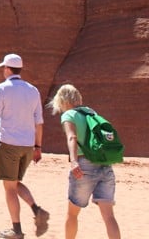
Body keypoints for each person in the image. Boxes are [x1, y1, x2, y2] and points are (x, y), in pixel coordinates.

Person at [0, 53, 50, 239]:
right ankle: (37, 210)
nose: (3, 70)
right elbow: (39, 123)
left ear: (7, 69)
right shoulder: (33, 90)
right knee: (15, 183)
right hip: (27, 146)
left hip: (8, 145)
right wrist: (38, 147)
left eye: (4, 67)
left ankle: (16, 231)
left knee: (9, 187)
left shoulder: (2, 89)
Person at [47, 84, 121, 239]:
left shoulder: (68, 115)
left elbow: (72, 137)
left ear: (63, 100)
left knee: (72, 214)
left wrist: (74, 161)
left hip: (84, 167)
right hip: (105, 164)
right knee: (109, 217)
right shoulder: (91, 112)